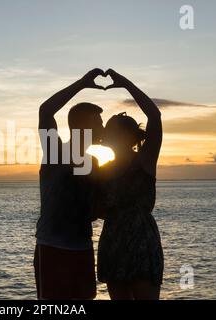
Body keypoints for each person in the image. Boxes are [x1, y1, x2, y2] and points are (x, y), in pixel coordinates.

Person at [34, 68, 105, 299]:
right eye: (98, 124)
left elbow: (96, 207)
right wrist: (82, 83)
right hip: (53, 246)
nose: (102, 129)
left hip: (82, 247)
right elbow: (45, 111)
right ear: (82, 127)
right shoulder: (56, 152)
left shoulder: (94, 162)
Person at [94, 69, 164, 300]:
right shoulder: (101, 170)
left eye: (113, 130)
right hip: (114, 239)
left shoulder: (143, 161)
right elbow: (97, 209)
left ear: (129, 136)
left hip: (141, 239)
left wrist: (125, 83)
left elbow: (155, 116)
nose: (108, 134)